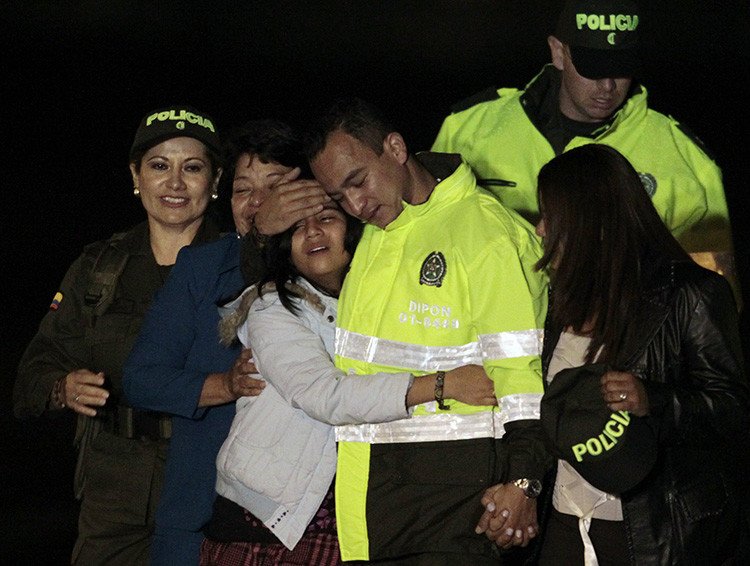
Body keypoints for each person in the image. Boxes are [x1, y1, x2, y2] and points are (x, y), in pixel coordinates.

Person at [305, 97, 550, 564]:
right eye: (339, 197)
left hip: (456, 508)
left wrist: (524, 482)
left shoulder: (487, 233)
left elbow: (522, 375)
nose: (355, 205)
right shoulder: (374, 230)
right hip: (376, 506)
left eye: (358, 181)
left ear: (396, 149)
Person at [201, 198, 497, 565]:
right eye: (297, 226)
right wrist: (443, 385)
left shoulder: (389, 304)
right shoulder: (272, 306)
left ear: (356, 230)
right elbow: (322, 395)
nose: (312, 232)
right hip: (264, 524)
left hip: (352, 523)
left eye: (327, 218)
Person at [13, 105, 225, 564]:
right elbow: (32, 373)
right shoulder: (99, 267)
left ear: (215, 181)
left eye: (192, 168)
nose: (175, 183)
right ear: (135, 176)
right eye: (159, 166)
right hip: (113, 489)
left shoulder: (241, 266)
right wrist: (62, 387)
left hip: (211, 485)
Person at [431, 0, 739, 305]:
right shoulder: (468, 131)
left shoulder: (684, 157)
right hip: (491, 325)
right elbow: (428, 238)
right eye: (594, 68)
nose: (607, 86)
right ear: (558, 53)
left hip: (615, 331)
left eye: (621, 69)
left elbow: (712, 295)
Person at [529, 143, 749, 565]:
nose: (540, 230)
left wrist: (655, 401)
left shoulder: (692, 293)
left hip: (654, 533)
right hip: (564, 526)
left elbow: (734, 410)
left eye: (549, 215)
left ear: (589, 220)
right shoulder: (558, 299)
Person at [123, 119, 330, 565]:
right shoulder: (202, 268)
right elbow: (140, 379)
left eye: (275, 186)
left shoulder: (343, 263)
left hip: (314, 523)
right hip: (202, 515)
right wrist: (224, 385)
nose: (257, 203)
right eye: (243, 190)